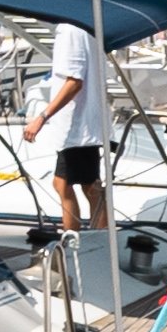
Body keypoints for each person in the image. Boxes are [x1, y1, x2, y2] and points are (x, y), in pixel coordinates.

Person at [26, 15, 107, 233]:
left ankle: (79, 242)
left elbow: (74, 82)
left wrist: (42, 117)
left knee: (78, 186)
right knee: (85, 186)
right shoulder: (82, 26)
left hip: (78, 126)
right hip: (80, 126)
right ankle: (95, 239)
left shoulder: (70, 31)